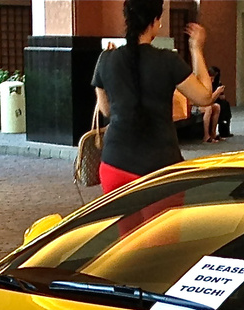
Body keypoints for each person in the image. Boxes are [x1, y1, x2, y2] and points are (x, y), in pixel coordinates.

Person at [91, 0, 215, 193]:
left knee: (125, 225)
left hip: (115, 163)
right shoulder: (167, 60)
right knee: (163, 224)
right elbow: (205, 97)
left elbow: (106, 109)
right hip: (160, 165)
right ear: (155, 21)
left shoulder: (106, 59)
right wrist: (196, 48)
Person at [203, 66, 232, 142]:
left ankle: (213, 133)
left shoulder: (216, 83)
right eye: (211, 79)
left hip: (209, 102)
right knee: (208, 108)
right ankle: (206, 136)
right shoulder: (203, 84)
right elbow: (206, 100)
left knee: (217, 106)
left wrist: (219, 93)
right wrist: (217, 92)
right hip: (197, 104)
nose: (212, 81)